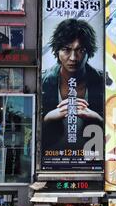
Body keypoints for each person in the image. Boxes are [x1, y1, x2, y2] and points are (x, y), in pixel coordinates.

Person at [42, 19, 104, 154]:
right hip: (52, 160)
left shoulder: (104, 81)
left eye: (80, 50)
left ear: (89, 52)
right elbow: (27, 128)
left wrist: (99, 120)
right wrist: (46, 120)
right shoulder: (42, 81)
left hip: (93, 160)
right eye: (66, 49)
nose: (73, 58)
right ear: (57, 51)